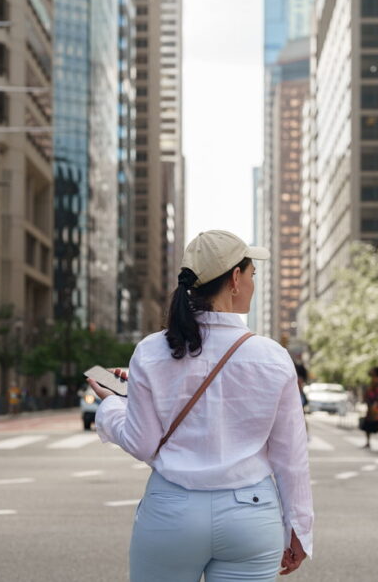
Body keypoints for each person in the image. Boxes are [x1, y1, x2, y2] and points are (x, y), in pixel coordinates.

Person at [89, 230, 312, 580]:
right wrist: (299, 527)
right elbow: (291, 456)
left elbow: (142, 442)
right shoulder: (272, 356)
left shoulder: (151, 350)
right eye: (252, 274)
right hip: (250, 516)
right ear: (235, 279)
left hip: (171, 513)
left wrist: (114, 406)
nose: (253, 283)